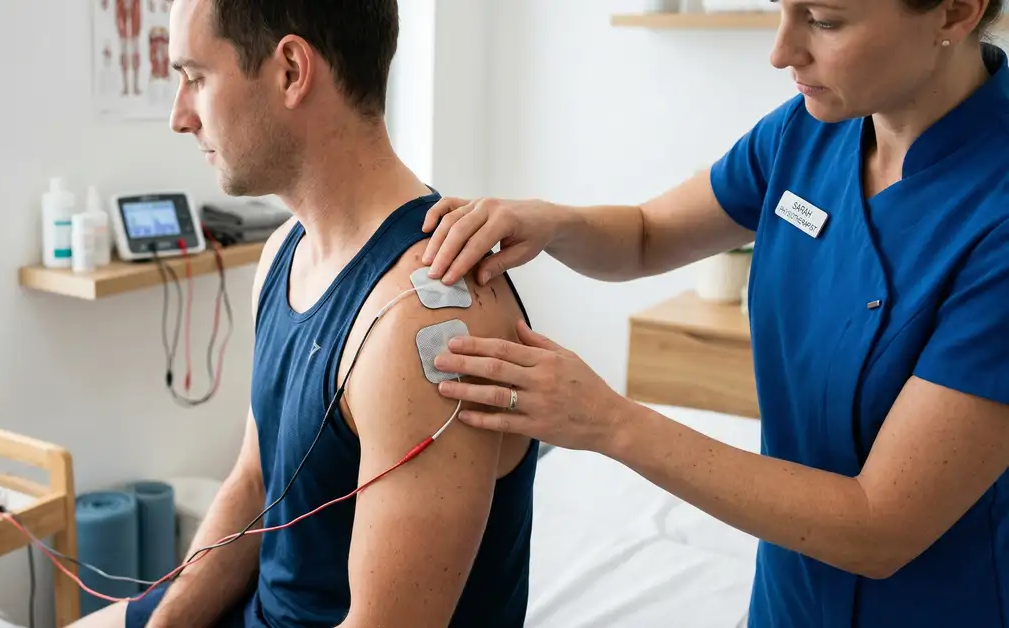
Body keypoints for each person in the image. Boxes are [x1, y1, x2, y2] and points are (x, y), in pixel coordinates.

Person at [419, 1, 1009, 627]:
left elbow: (879, 526)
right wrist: (550, 222)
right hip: (788, 599)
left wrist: (609, 422)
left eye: (825, 21)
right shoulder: (807, 134)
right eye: (782, 9)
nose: (781, 52)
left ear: (953, 12)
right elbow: (647, 235)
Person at [73, 1, 538, 627]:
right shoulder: (282, 254)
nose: (179, 116)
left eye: (196, 78)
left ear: (291, 70)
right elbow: (254, 482)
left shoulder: (420, 326)